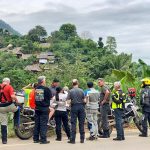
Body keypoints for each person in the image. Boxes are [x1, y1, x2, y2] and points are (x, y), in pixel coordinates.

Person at [33, 76, 52, 144]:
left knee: (37, 123)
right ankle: (43, 139)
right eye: (45, 80)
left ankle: (35, 138)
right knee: (43, 124)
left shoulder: (37, 88)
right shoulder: (46, 89)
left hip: (37, 108)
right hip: (44, 108)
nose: (45, 81)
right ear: (43, 81)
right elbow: (50, 97)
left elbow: (39, 99)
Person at [0, 78, 18, 144]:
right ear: (8, 82)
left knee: (3, 123)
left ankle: (4, 140)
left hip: (1, 107)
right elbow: (12, 96)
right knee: (17, 109)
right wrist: (16, 100)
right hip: (9, 106)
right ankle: (16, 124)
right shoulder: (9, 86)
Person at [67, 79, 85, 144]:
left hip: (74, 107)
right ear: (78, 83)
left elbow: (68, 101)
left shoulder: (70, 91)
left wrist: (70, 104)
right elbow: (84, 100)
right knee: (81, 123)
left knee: (73, 123)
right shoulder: (81, 90)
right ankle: (82, 139)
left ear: (72, 84)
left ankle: (72, 140)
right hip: (81, 107)